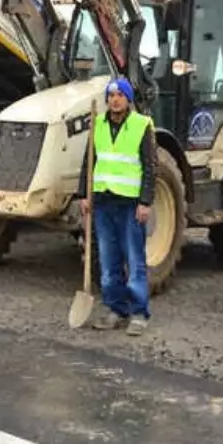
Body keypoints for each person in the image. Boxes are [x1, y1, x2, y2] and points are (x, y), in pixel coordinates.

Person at [75, 77, 157, 336]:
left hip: (130, 204)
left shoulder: (141, 125)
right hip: (103, 202)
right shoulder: (98, 124)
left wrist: (145, 201)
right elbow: (89, 162)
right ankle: (116, 309)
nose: (114, 99)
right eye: (110, 95)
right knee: (109, 262)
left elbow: (150, 167)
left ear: (128, 98)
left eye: (119, 95)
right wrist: (83, 194)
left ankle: (138, 313)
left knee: (134, 260)